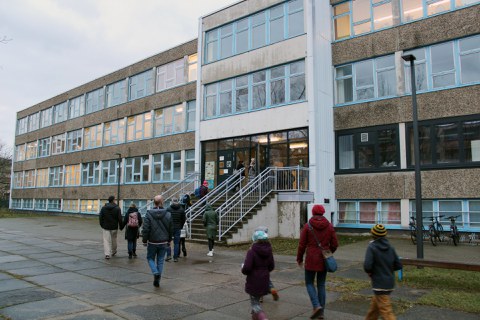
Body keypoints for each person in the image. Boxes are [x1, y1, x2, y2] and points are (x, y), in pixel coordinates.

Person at [296, 204, 338, 319]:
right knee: (321, 285)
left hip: (311, 259)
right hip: (324, 260)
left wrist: (299, 258)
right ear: (323, 213)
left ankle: (316, 306)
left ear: (313, 213)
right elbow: (335, 244)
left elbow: (302, 245)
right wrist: (328, 252)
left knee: (309, 283)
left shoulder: (307, 226)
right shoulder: (329, 226)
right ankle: (321, 312)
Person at [364, 224, 402, 320]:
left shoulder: (372, 247)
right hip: (389, 282)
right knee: (374, 310)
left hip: (379, 283)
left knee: (387, 312)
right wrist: (387, 269)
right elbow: (398, 265)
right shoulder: (390, 247)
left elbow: (367, 266)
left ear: (373, 234)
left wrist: (371, 272)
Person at [241, 229, 275, 320]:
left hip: (254, 281)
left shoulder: (251, 251)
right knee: (257, 301)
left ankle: (263, 318)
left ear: (255, 240)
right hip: (265, 280)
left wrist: (243, 268)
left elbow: (247, 268)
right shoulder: (269, 251)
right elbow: (271, 266)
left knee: (255, 304)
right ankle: (254, 317)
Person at [142, 195, 173, 288]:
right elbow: (171, 228)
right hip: (163, 241)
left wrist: (144, 240)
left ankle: (155, 273)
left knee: (150, 258)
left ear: (154, 202)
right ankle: (158, 280)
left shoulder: (148, 214)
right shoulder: (168, 214)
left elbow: (146, 228)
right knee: (160, 261)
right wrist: (169, 239)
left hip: (152, 241)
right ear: (162, 202)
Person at [99, 195, 123, 260]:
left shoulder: (103, 208)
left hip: (106, 227)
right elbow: (120, 218)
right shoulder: (117, 208)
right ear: (113, 200)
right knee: (114, 239)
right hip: (114, 227)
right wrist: (121, 226)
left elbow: (101, 217)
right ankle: (114, 251)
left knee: (106, 240)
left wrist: (102, 224)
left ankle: (107, 254)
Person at [166, 197, 186, 262]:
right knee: (177, 243)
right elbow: (183, 219)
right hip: (178, 227)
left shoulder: (168, 209)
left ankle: (168, 255)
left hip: (169, 228)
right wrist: (181, 226)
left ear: (172, 201)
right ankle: (175, 257)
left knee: (168, 242)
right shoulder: (181, 209)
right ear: (178, 201)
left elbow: (166, 219)